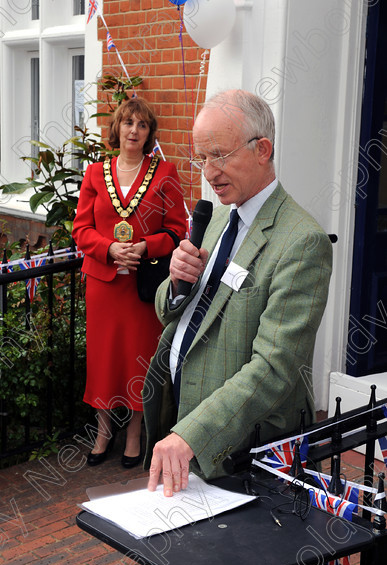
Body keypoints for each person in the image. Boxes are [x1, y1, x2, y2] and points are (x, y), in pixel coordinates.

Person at [143, 89, 333, 495]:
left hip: (243, 447)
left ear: (262, 149)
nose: (209, 172)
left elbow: (275, 368)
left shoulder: (302, 242)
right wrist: (176, 284)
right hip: (184, 418)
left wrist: (193, 433)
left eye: (220, 155)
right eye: (202, 158)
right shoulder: (217, 219)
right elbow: (174, 311)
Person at [72, 96, 186, 468]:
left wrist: (142, 246)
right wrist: (108, 249)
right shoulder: (94, 174)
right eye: (127, 123)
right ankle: (104, 432)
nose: (134, 130)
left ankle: (135, 433)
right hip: (104, 284)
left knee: (140, 360)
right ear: (116, 129)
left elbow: (176, 230)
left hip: (143, 288)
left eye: (141, 125)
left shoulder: (164, 172)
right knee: (104, 359)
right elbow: (81, 230)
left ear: (150, 132)